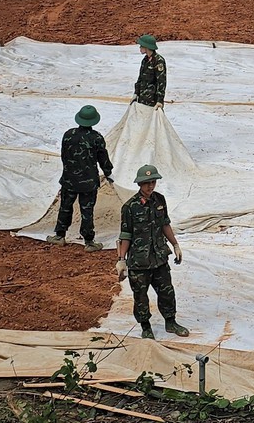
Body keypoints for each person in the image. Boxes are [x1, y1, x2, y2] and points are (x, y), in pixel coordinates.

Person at [117, 163, 189, 339]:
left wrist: (175, 245)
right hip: (139, 261)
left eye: (153, 182)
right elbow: (125, 234)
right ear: (139, 184)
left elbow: (165, 224)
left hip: (159, 257)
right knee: (140, 296)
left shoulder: (159, 200)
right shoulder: (129, 207)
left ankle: (170, 321)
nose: (150, 186)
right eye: (147, 182)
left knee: (167, 291)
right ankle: (146, 326)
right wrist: (121, 259)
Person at [51, 104, 114, 247]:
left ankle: (60, 236)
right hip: (88, 183)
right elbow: (103, 159)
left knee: (65, 206)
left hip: (69, 180)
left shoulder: (68, 135)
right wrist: (108, 173)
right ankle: (89, 242)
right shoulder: (96, 138)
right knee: (87, 211)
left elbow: (64, 156)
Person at [132, 35, 166, 107]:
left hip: (153, 102)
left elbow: (161, 82)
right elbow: (140, 78)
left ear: (146, 47)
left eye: (141, 46)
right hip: (142, 100)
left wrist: (160, 100)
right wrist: (136, 93)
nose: (140, 48)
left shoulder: (158, 61)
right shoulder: (145, 60)